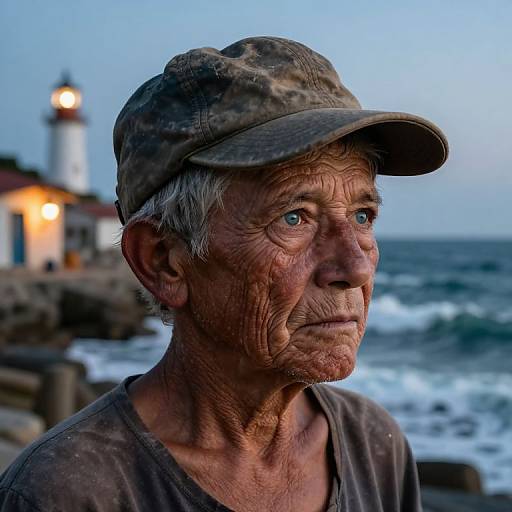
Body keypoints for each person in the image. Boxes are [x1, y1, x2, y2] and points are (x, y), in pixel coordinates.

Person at [0, 36, 448, 511]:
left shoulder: (373, 445)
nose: (355, 268)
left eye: (362, 216)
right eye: (294, 217)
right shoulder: (67, 493)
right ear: (163, 260)